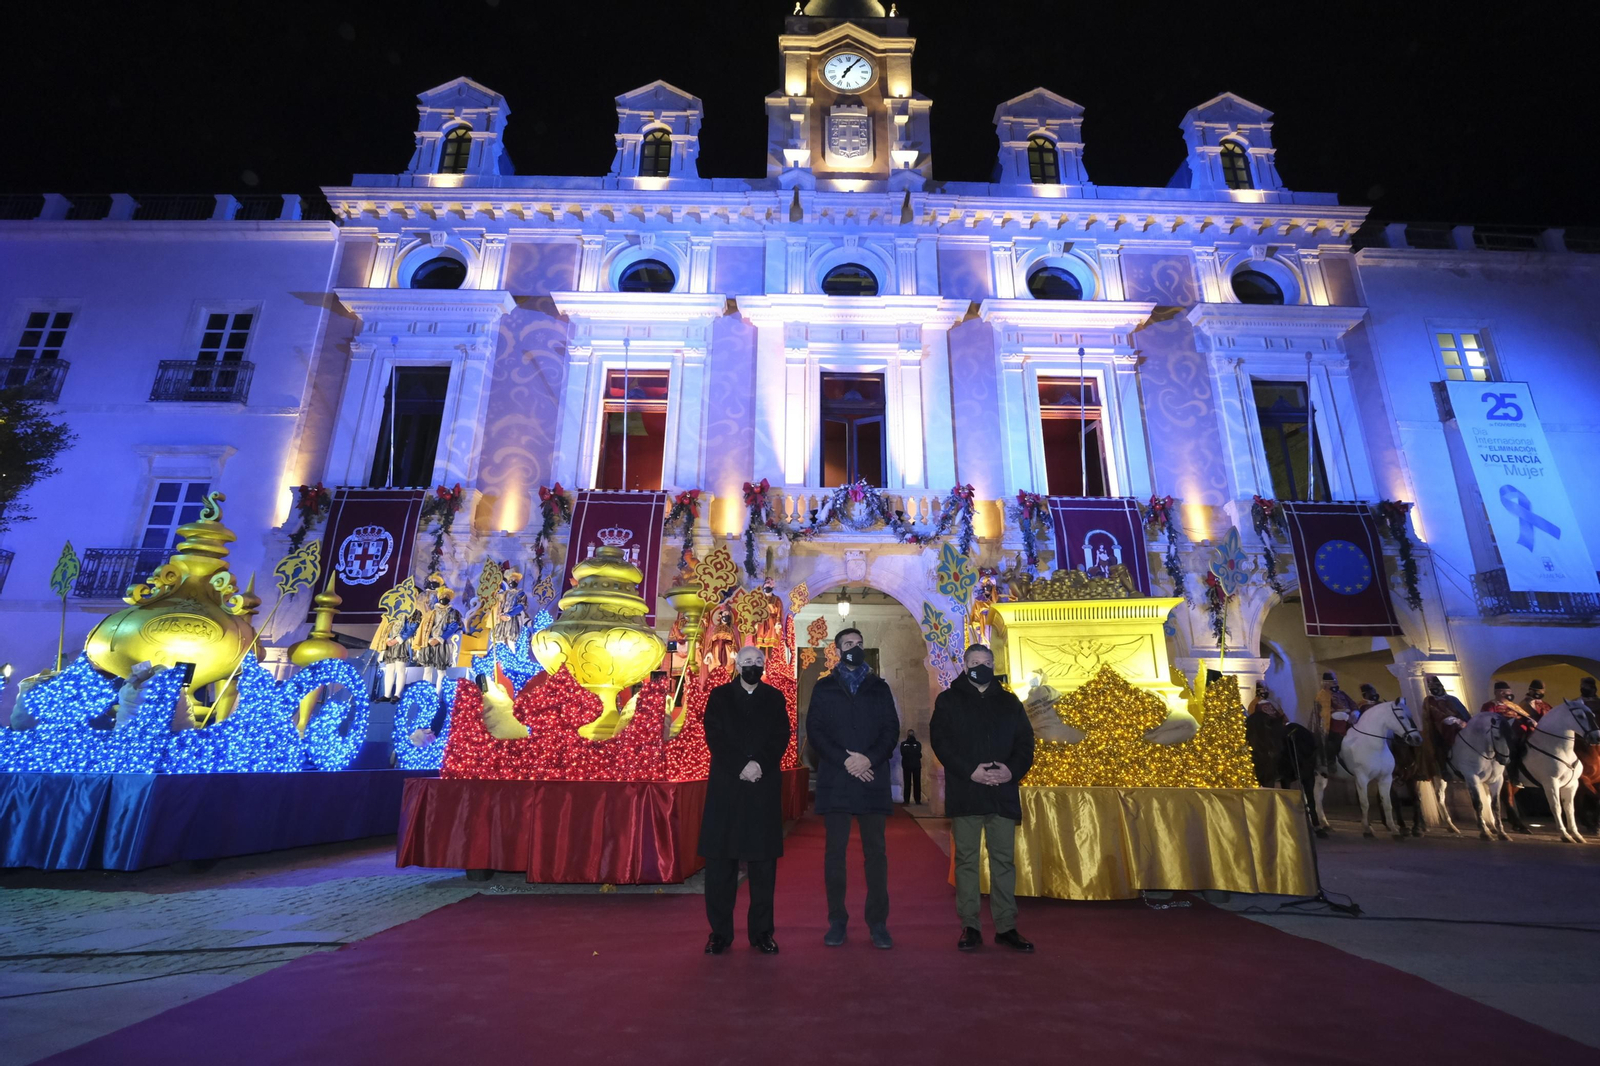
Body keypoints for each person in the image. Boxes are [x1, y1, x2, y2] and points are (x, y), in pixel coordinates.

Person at [930, 643, 1036, 953]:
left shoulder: (1010, 702)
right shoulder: (948, 700)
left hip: (1002, 792)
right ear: (965, 666)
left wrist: (1010, 770)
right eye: (975, 661)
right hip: (968, 790)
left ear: (993, 664)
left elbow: (1025, 743)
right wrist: (970, 771)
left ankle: (1006, 926)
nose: (981, 666)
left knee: (1004, 861)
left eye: (986, 661)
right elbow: (941, 742)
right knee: (966, 860)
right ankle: (970, 925)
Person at [806, 627, 900, 950]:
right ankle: (837, 921)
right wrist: (844, 761)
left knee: (876, 855)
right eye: (848, 644)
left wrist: (868, 760)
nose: (854, 648)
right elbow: (815, 732)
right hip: (837, 779)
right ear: (837, 650)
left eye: (859, 644)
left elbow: (891, 730)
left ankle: (878, 923)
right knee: (835, 855)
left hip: (871, 779)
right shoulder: (824, 688)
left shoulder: (879, 687)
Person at [699, 645, 791, 956]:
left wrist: (759, 764)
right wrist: (740, 765)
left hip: (762, 787)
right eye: (747, 662)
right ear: (737, 666)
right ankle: (719, 933)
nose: (753, 666)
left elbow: (781, 735)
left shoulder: (775, 698)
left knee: (763, 866)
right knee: (720, 866)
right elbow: (715, 736)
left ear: (764, 666)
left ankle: (762, 933)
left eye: (758, 661)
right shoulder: (720, 697)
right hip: (727, 786)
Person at [1421, 674, 1471, 779]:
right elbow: (1434, 714)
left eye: (1436, 686)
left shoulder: (1452, 699)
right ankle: (1444, 768)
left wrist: (1463, 721)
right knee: (1440, 740)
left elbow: (1463, 712)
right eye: (1431, 687)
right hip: (1440, 726)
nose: (1434, 688)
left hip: (1460, 723)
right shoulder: (1429, 701)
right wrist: (1451, 720)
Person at [1314, 671, 1360, 770]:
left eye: (1335, 680)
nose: (1335, 682)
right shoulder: (1322, 695)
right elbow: (1325, 711)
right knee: (1335, 741)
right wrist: (1343, 715)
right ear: (1326, 683)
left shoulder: (1341, 693)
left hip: (1350, 719)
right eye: (1333, 681)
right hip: (1334, 721)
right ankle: (1331, 761)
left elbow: (1352, 703)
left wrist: (1354, 712)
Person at [1245, 682, 1287, 788]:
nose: (1264, 693)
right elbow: (1253, 720)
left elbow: (1280, 715)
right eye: (1262, 691)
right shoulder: (1254, 704)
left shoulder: (1273, 703)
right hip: (1263, 731)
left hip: (1276, 727)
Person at [370, 609, 417, 701]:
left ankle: (397, 695)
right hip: (389, 643)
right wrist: (386, 639)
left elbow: (412, 627)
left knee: (400, 669)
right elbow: (385, 627)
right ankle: (387, 695)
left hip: (402, 643)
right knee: (389, 669)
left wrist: (397, 639)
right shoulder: (391, 612)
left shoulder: (412, 612)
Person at [899, 730, 923, 805]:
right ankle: (907, 800)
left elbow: (918, 753)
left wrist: (910, 752)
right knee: (907, 783)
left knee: (916, 783)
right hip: (908, 765)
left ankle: (917, 800)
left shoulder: (917, 744)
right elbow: (904, 753)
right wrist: (913, 752)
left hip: (914, 766)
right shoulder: (904, 744)